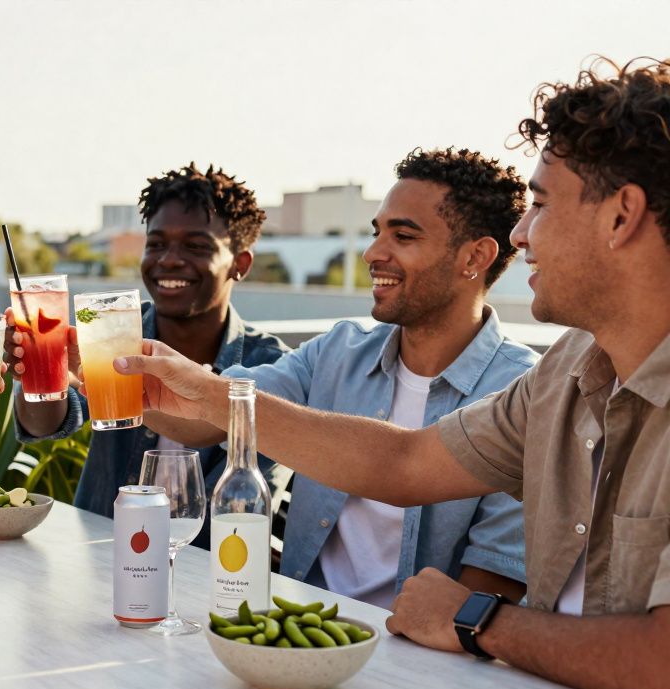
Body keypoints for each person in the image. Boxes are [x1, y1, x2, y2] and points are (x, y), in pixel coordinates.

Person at [117, 58, 670, 689]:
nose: (523, 233)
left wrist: (477, 620)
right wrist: (205, 392)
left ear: (621, 217)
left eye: (542, 205)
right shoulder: (567, 373)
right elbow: (405, 461)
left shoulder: (528, 371)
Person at [222, 148, 535, 608]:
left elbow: (484, 596)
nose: (372, 253)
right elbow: (218, 411)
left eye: (403, 236)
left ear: (476, 256)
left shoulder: (525, 395)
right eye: (376, 233)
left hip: (414, 647)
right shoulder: (339, 350)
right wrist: (143, 370)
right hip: (297, 626)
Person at [7, 164, 287, 548]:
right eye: (156, 244)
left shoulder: (271, 366)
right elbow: (45, 424)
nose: (169, 259)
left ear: (240, 264)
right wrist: (34, 370)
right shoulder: (112, 327)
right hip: (105, 561)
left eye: (196, 246)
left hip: (213, 573)